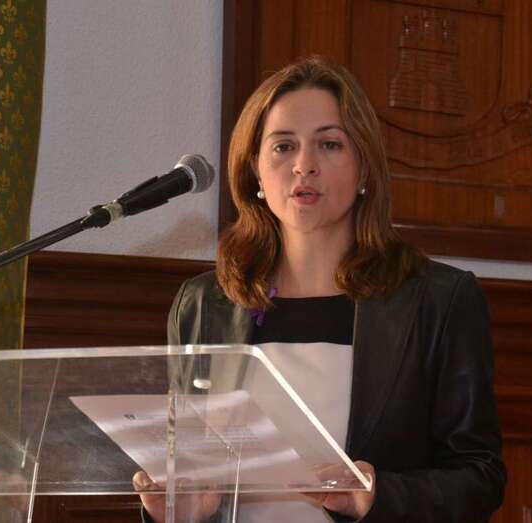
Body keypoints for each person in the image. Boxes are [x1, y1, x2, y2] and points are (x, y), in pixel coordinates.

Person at [135, 57, 506, 522]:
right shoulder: (203, 304)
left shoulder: (438, 301)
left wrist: (377, 496)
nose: (304, 166)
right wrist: (181, 508)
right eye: (284, 146)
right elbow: (185, 470)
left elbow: (480, 477)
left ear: (364, 167)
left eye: (329, 144)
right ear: (254, 173)